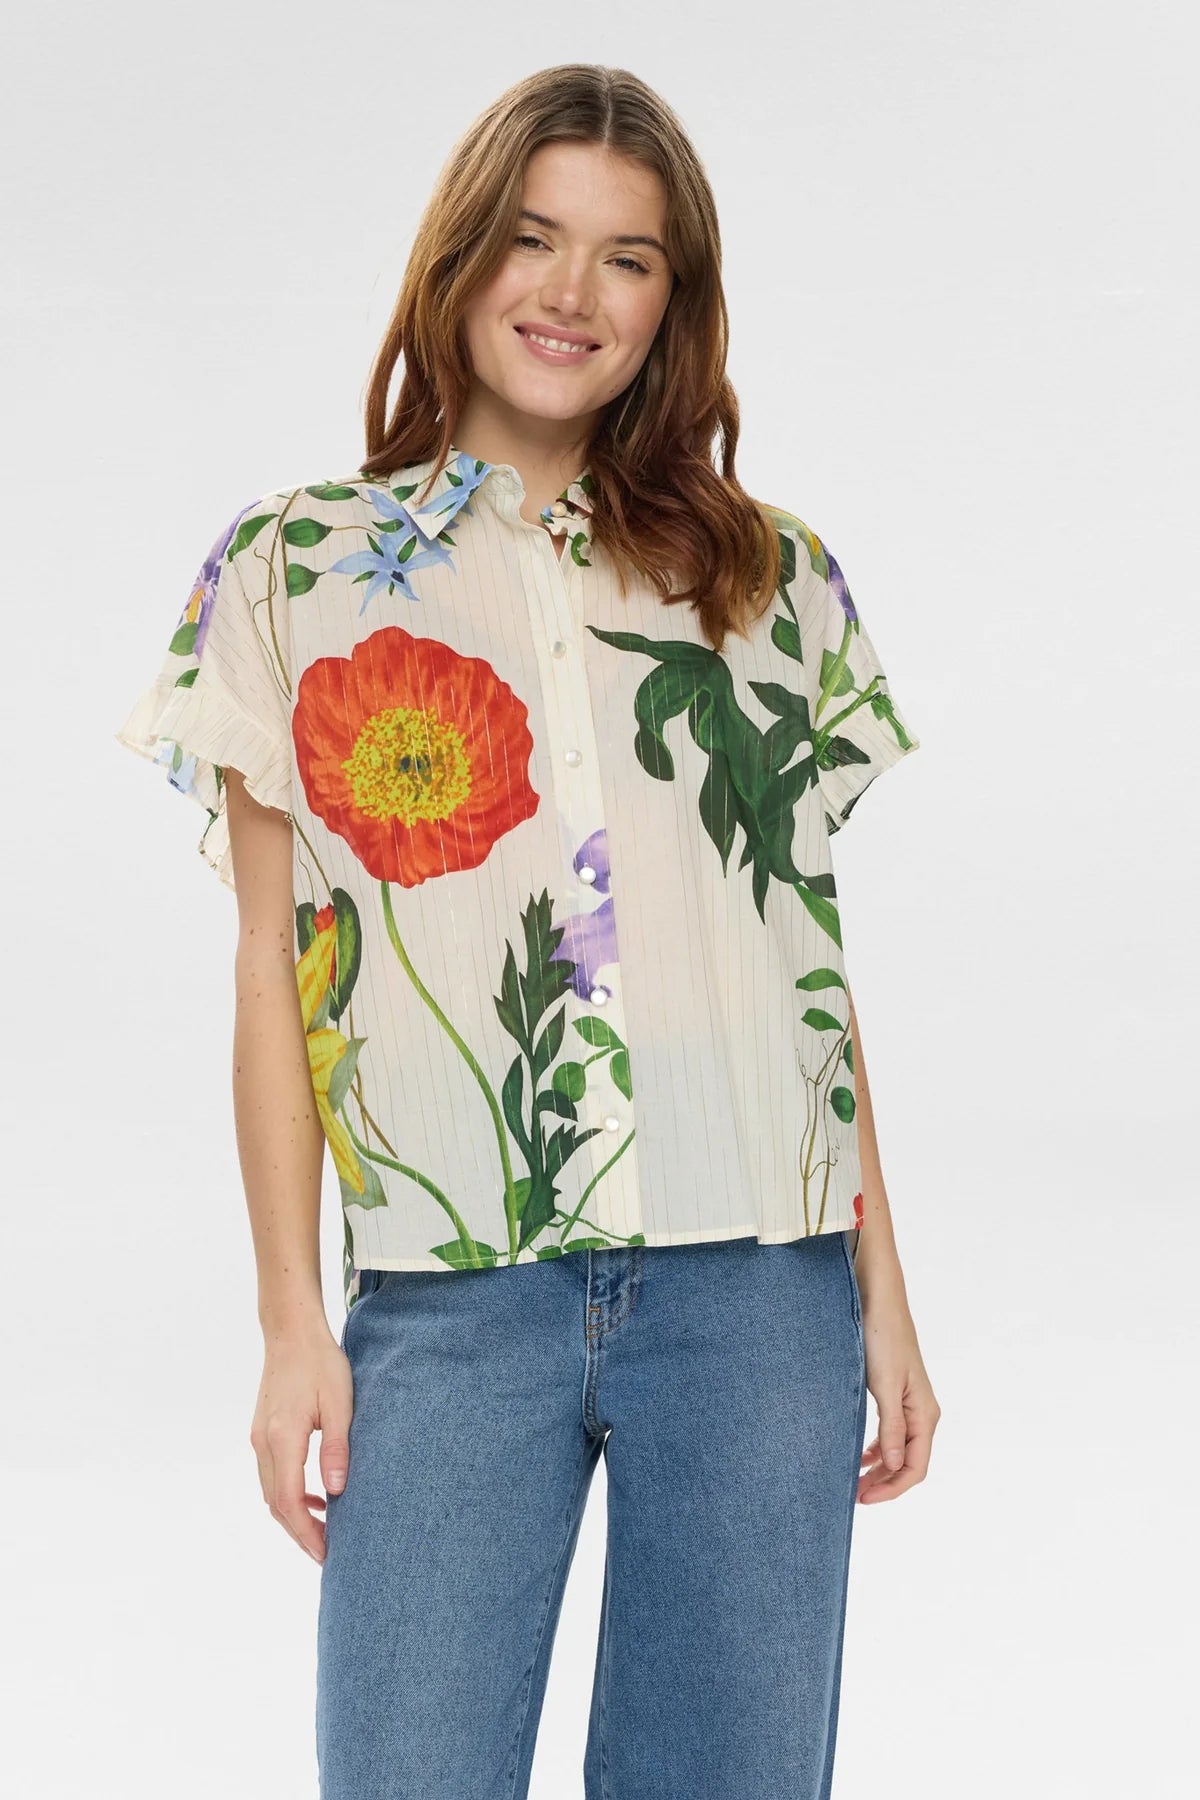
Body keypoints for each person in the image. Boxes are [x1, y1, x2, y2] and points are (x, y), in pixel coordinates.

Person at [115, 61, 940, 1800]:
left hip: (758, 1291)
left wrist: (884, 1293)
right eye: (535, 240)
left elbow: (807, 961)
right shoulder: (293, 571)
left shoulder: (768, 580)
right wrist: (290, 1324)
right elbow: (272, 969)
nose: (572, 295)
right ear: (460, 260)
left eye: (628, 258)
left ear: (674, 303)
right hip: (448, 1300)